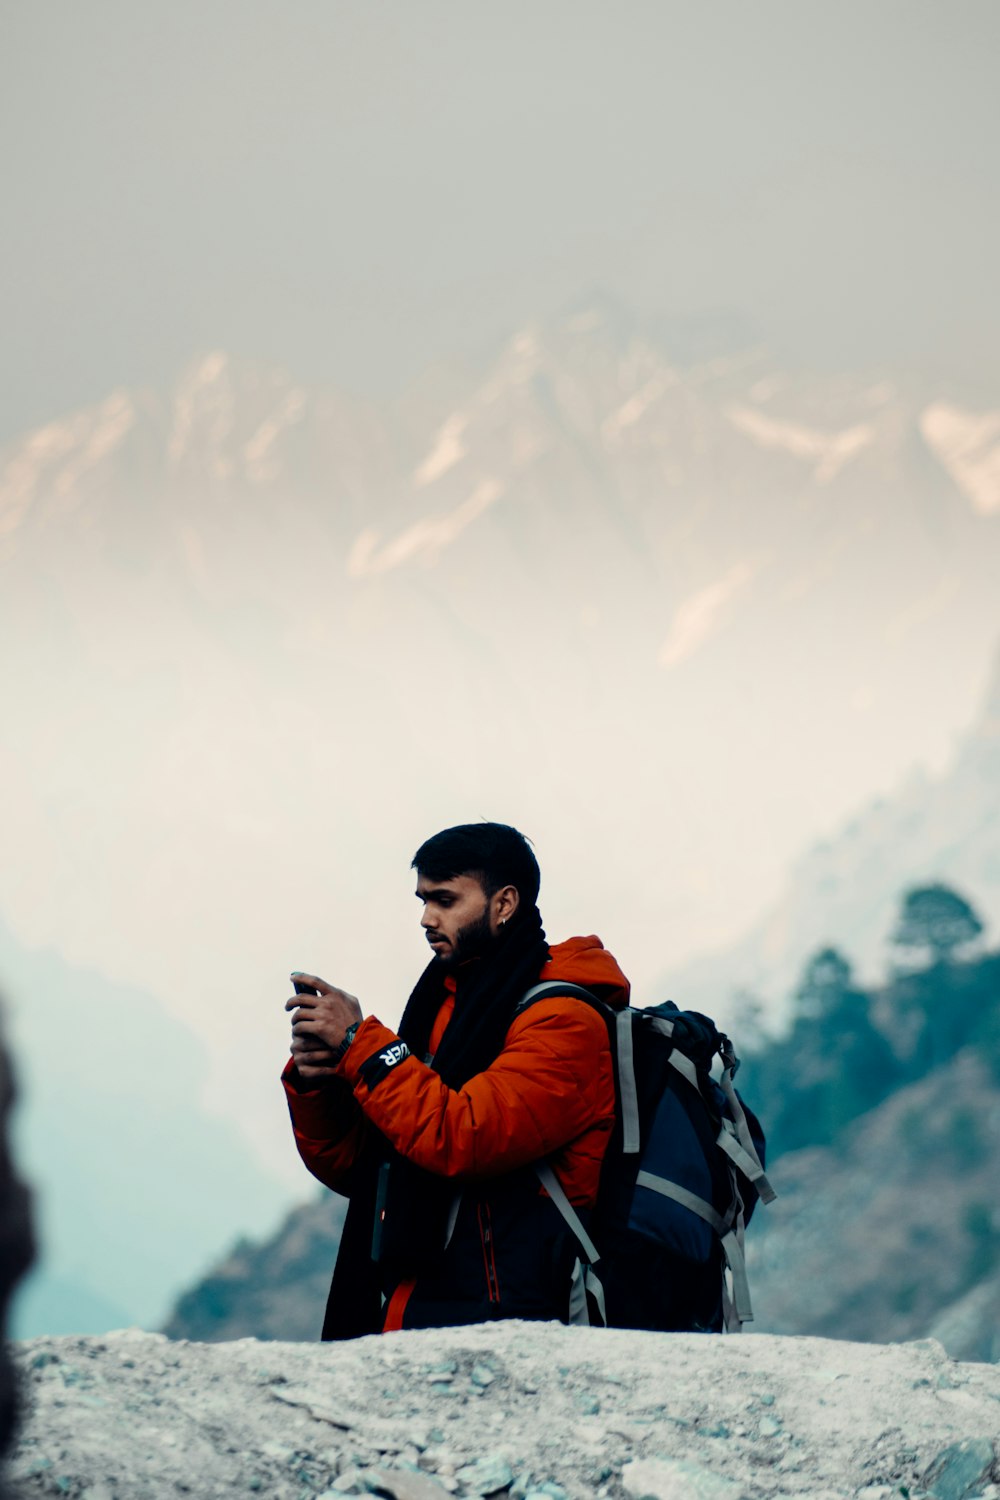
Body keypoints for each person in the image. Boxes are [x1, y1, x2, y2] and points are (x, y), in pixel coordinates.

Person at [282, 821, 630, 1339]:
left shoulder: (564, 1020)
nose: (426, 918)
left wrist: (361, 1043)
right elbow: (368, 1171)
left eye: (445, 899)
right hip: (420, 1306)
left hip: (518, 1320)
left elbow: (463, 1136)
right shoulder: (447, 1002)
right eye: (422, 900)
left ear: (504, 903)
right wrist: (325, 1085)